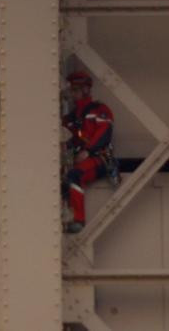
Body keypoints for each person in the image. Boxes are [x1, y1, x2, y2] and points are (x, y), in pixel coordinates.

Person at [63, 70, 116, 234]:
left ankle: (79, 219)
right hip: (82, 158)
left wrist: (87, 151)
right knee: (65, 181)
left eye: (76, 90)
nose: (73, 94)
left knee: (74, 175)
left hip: (99, 159)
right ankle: (66, 217)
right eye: (72, 90)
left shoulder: (100, 110)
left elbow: (104, 132)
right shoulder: (72, 117)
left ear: (86, 89)